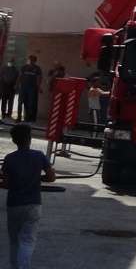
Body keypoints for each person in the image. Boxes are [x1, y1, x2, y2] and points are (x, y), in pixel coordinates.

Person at [1, 123, 55, 269]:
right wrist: (37, 178)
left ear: (13, 140)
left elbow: (6, 184)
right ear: (30, 139)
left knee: (14, 241)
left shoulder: (9, 158)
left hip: (14, 204)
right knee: (28, 241)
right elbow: (51, 177)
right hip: (34, 204)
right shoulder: (39, 156)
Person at [16, 58, 41, 124]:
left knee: (30, 104)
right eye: (29, 60)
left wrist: (39, 87)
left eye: (32, 60)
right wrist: (17, 84)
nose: (30, 61)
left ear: (35, 61)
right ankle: (19, 118)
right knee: (20, 102)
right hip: (23, 88)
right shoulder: (24, 67)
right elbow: (20, 76)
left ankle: (28, 119)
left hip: (32, 88)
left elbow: (38, 78)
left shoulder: (37, 68)